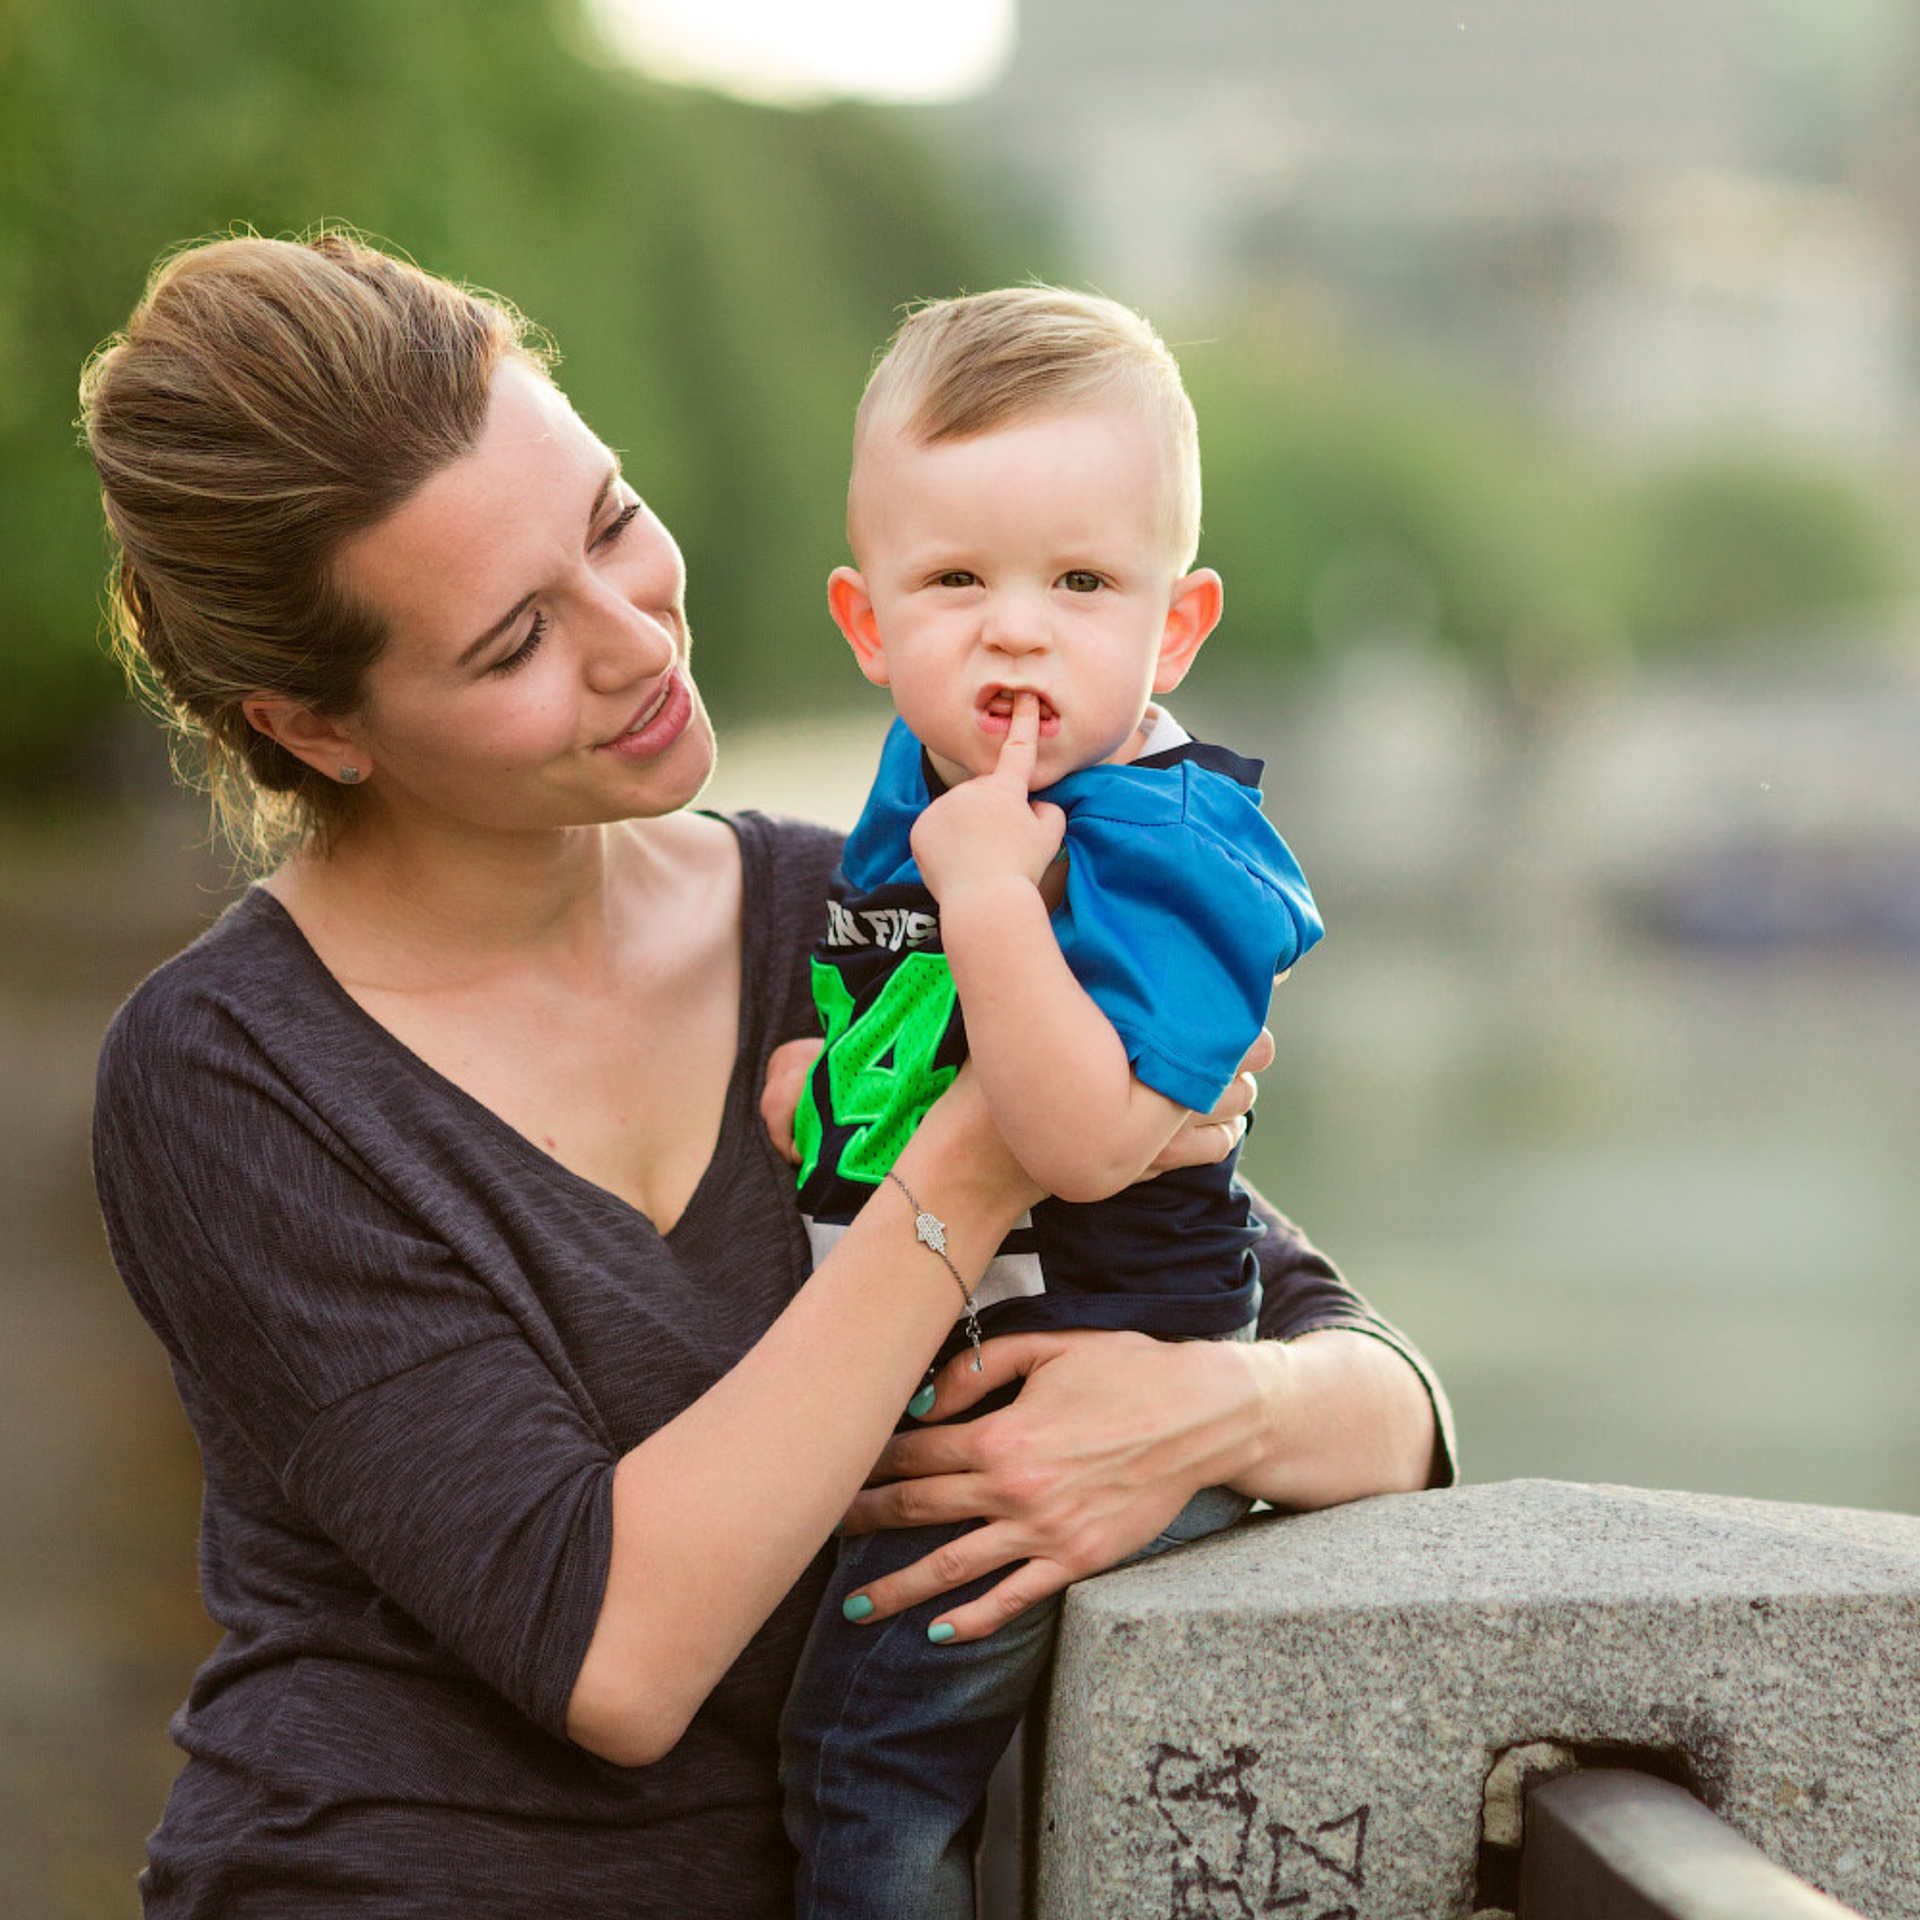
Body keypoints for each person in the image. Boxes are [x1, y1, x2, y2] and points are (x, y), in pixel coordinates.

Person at [79, 229, 1452, 1920]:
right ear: (316, 726)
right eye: (513, 644)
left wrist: (1206, 1412)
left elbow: (1370, 1386)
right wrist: (986, 1150)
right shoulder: (234, 1074)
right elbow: (613, 1652)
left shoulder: (849, 902)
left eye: (610, 525)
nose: (634, 641)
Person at [780, 287, 1330, 1920]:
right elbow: (916, 1051)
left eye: (1083, 584)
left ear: (1173, 627)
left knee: (863, 1771)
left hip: (1087, 1396)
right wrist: (821, 1096)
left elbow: (1085, 1140)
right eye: (956, 582)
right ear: (870, 625)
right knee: (843, 1758)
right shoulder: (929, 787)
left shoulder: (1174, 853)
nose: (1016, 632)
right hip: (943, 1373)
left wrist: (998, 903)